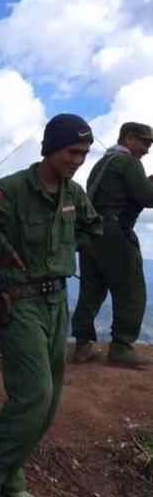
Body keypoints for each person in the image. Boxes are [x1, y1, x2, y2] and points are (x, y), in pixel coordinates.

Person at [0, 114, 102, 497]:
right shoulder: (14, 188)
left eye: (84, 153)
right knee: (34, 393)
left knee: (49, 400)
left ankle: (12, 475)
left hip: (57, 303)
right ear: (51, 147)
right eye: (72, 151)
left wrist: (63, 253)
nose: (78, 160)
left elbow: (92, 226)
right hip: (20, 303)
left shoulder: (74, 193)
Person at [71, 122, 153, 368]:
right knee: (131, 288)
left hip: (92, 232)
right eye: (144, 143)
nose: (147, 150)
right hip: (115, 232)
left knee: (92, 288)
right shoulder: (128, 162)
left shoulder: (102, 163)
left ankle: (83, 345)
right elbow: (147, 198)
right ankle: (121, 348)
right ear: (128, 138)